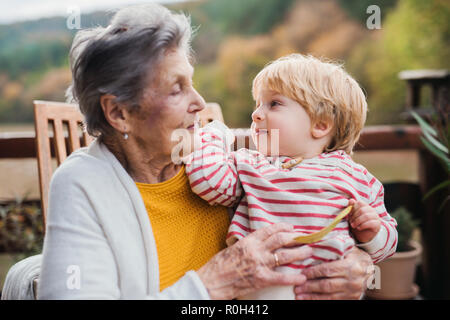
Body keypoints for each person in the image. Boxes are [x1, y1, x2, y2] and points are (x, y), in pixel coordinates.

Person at [36, 4, 373, 300]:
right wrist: (210, 286)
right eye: (176, 89)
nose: (199, 103)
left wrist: (356, 262)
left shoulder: (224, 151)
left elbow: (312, 197)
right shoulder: (83, 184)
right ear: (119, 113)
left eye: (192, 82)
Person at [185, 54, 397, 299]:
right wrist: (214, 135)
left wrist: (372, 233)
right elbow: (207, 181)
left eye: (273, 103)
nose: (256, 114)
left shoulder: (356, 177)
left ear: (320, 124)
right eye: (258, 104)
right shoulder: (250, 164)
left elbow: (387, 246)